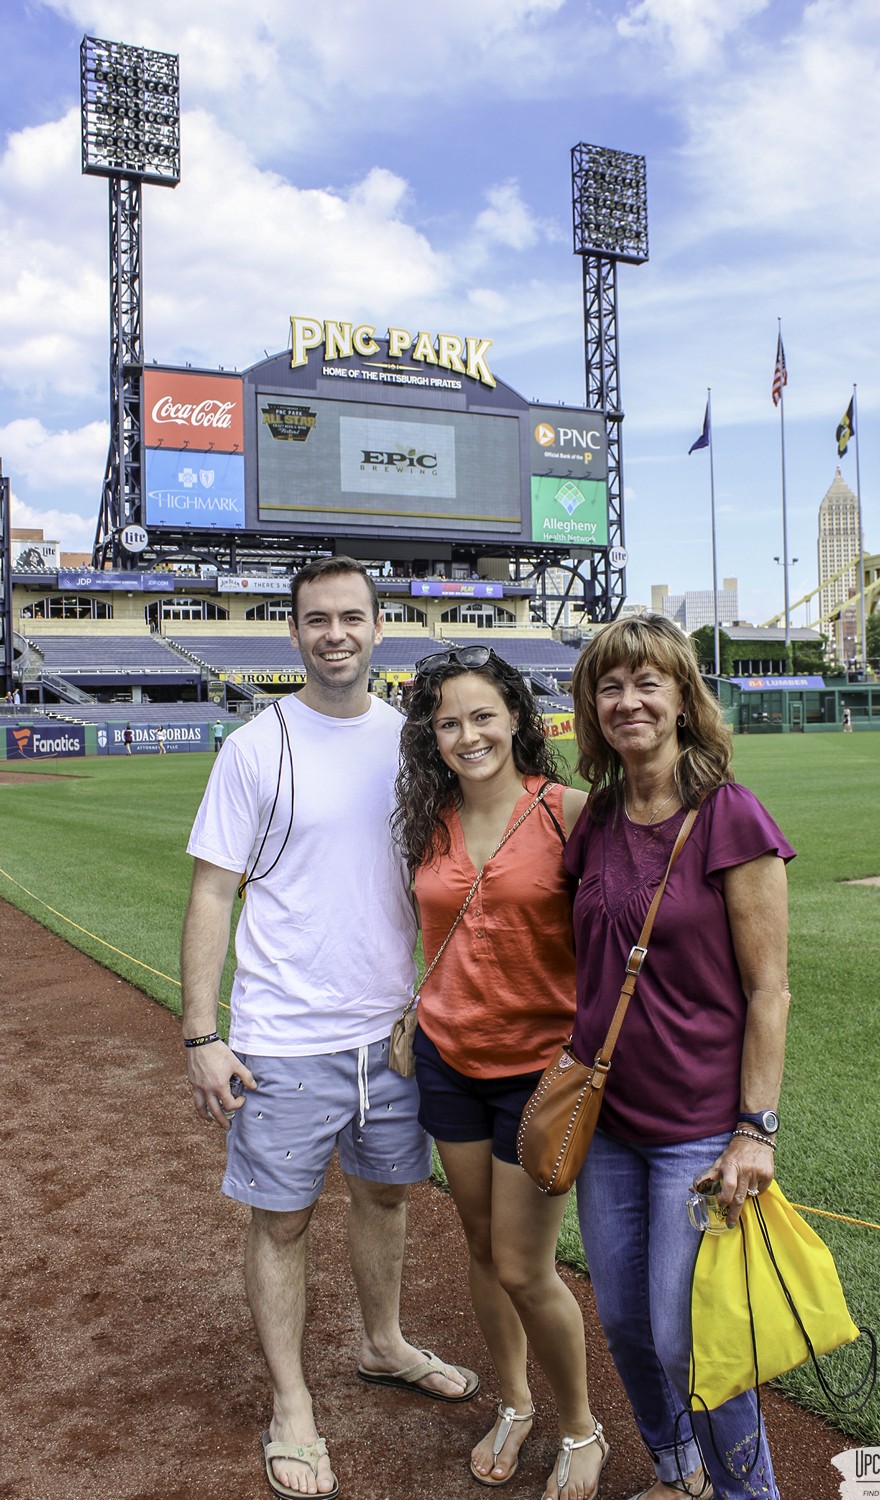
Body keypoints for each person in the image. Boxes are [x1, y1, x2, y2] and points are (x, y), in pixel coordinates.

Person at [181, 558, 477, 1500]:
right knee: (282, 1222)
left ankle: (384, 1344)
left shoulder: (411, 743)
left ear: (380, 629)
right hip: (282, 1039)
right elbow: (212, 890)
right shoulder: (255, 747)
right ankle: (292, 1405)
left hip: (392, 1036)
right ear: (295, 632)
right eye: (318, 619)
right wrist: (201, 1034)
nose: (336, 634)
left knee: (387, 1199)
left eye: (353, 617)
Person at [565, 615, 794, 1500]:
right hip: (610, 1121)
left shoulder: (730, 816)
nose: (628, 701)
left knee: (687, 1336)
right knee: (622, 1321)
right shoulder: (597, 819)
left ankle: (751, 1493)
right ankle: (679, 1473)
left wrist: (756, 1130)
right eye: (611, 687)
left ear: (682, 699)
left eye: (647, 683)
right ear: (593, 706)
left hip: (700, 1129)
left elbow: (769, 989)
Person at [393, 646, 608, 1500]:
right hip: (449, 1061)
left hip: (540, 1071)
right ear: (432, 735)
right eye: (449, 721)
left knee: (526, 1266)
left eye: (483, 715)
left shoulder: (570, 813)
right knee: (481, 1249)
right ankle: (515, 1406)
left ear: (517, 717)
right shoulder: (429, 818)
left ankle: (581, 1427)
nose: (467, 734)